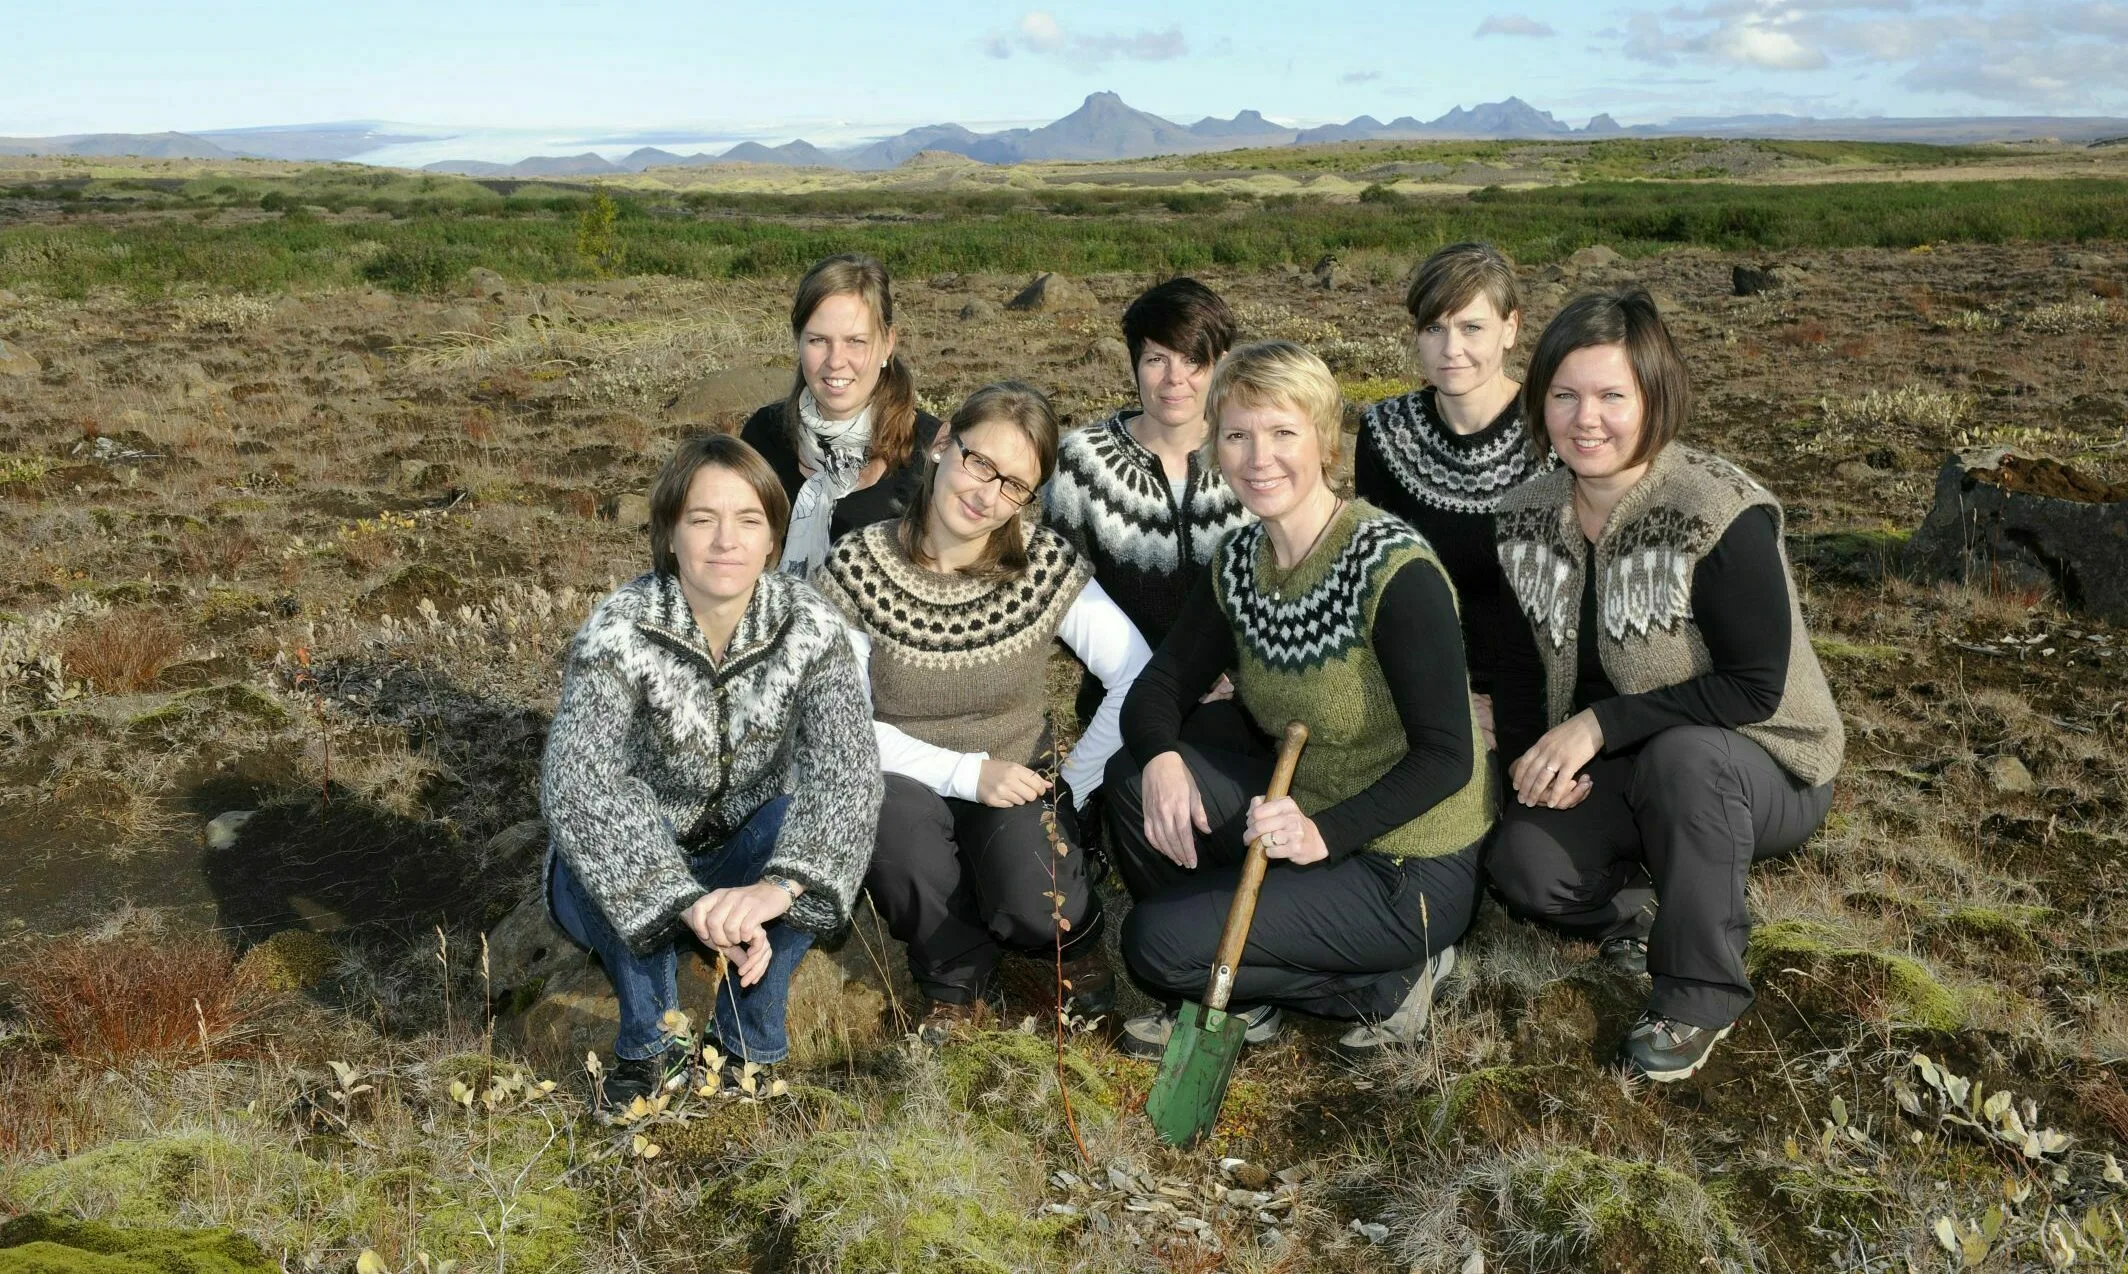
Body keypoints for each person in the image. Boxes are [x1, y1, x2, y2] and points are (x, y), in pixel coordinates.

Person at [1487, 290, 1843, 1083]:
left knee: (1686, 759)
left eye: (1614, 395)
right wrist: (1529, 764)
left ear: (1655, 396)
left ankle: (1697, 994)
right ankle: (1645, 908)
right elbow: (1516, 670)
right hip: (1628, 770)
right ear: (1539, 399)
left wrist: (1600, 726)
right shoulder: (1522, 518)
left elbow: (1755, 689)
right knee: (1522, 864)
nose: (1588, 419)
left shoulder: (1718, 511)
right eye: (1565, 394)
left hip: (1762, 767)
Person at [1105, 341, 1494, 1059]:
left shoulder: (1391, 567)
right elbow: (1158, 687)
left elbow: (1449, 757)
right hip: (1306, 813)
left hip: (1407, 863)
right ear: (1216, 447)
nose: (1260, 457)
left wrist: (1323, 835)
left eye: (1283, 433)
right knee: (1132, 782)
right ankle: (1245, 982)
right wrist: (1161, 757)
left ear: (1324, 442)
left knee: (1153, 943)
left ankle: (1391, 981)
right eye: (1238, 435)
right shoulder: (1241, 565)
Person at [539, 434, 883, 1108]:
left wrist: (777, 891)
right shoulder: (621, 630)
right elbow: (575, 782)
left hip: (741, 856)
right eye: (703, 519)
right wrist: (683, 901)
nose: (726, 540)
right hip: (626, 877)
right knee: (602, 825)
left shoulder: (811, 627)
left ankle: (746, 1043)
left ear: (773, 541)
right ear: (670, 534)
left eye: (748, 520)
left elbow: (849, 772)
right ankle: (652, 1044)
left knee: (801, 826)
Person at [813, 382, 1152, 1038]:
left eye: (1016, 485)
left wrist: (1074, 784)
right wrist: (967, 775)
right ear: (942, 445)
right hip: (904, 780)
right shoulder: (858, 565)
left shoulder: (1043, 564)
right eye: (978, 462)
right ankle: (956, 978)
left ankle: (1075, 957)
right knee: (896, 835)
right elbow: (842, 725)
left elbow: (1136, 674)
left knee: (1034, 899)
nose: (987, 494)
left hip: (1018, 777)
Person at [1044, 277, 1257, 752]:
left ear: (1221, 364)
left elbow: (1286, 584)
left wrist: (1240, 679)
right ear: (1134, 365)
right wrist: (1160, 680)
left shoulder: (1255, 459)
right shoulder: (1082, 463)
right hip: (1119, 708)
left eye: (1192, 360)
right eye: (1156, 359)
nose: (1173, 379)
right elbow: (1061, 597)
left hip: (1242, 711)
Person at [1355, 242, 1553, 748]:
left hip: (1546, 689)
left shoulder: (1557, 430)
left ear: (1511, 328)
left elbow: (1564, 599)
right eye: (1433, 328)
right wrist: (1447, 695)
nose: (1450, 349)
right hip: (1423, 686)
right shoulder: (1384, 431)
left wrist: (1506, 707)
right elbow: (1380, 587)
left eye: (1471, 327)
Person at [740, 253, 942, 578]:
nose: (836, 361)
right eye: (819, 340)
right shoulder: (763, 437)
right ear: (798, 340)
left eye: (856, 342)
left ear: (888, 344)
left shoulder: (931, 450)